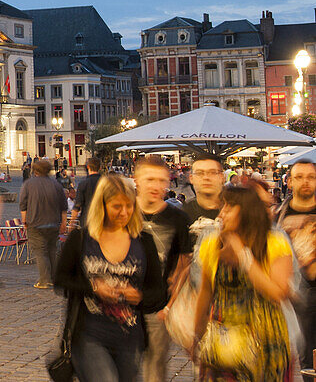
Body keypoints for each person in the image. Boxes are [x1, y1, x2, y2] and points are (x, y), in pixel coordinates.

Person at [54, 173, 167, 382]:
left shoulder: (144, 242)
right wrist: (93, 288)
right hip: (88, 335)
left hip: (130, 338)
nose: (124, 212)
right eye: (117, 206)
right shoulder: (81, 239)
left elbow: (158, 293)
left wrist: (139, 296)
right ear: (102, 205)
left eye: (129, 205)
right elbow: (60, 279)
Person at [193, 185, 295, 381]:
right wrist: (196, 338)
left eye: (229, 207)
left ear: (247, 211)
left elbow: (276, 293)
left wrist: (243, 254)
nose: (222, 213)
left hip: (266, 347)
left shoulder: (275, 243)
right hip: (222, 347)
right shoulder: (212, 245)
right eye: (222, 206)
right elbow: (205, 293)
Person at [133, 156, 193, 382]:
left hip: (157, 306)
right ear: (136, 180)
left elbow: (184, 264)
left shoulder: (178, 218)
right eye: (150, 179)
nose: (156, 186)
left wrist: (170, 306)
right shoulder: (121, 212)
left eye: (161, 180)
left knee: (154, 369)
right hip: (121, 307)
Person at [275, 158, 316, 364]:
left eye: (310, 177)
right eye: (299, 177)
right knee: (306, 359)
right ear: (289, 182)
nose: (305, 182)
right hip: (296, 298)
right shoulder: (277, 217)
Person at [19, 159, 66, 289]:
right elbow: (63, 206)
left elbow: (23, 204)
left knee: (40, 251)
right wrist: (63, 223)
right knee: (52, 250)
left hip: (35, 222)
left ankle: (45, 280)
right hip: (54, 222)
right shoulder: (56, 185)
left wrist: (24, 220)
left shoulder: (29, 184)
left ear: (35, 170)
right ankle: (55, 278)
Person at [183, 155, 225, 241]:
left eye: (213, 172)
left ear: (222, 177)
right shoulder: (181, 215)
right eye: (199, 173)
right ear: (191, 178)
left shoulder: (237, 211)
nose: (206, 177)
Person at [68, 156, 102, 229]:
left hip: (87, 220)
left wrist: (72, 223)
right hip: (103, 220)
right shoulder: (106, 183)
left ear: (88, 167)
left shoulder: (83, 184)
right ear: (100, 168)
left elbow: (77, 205)